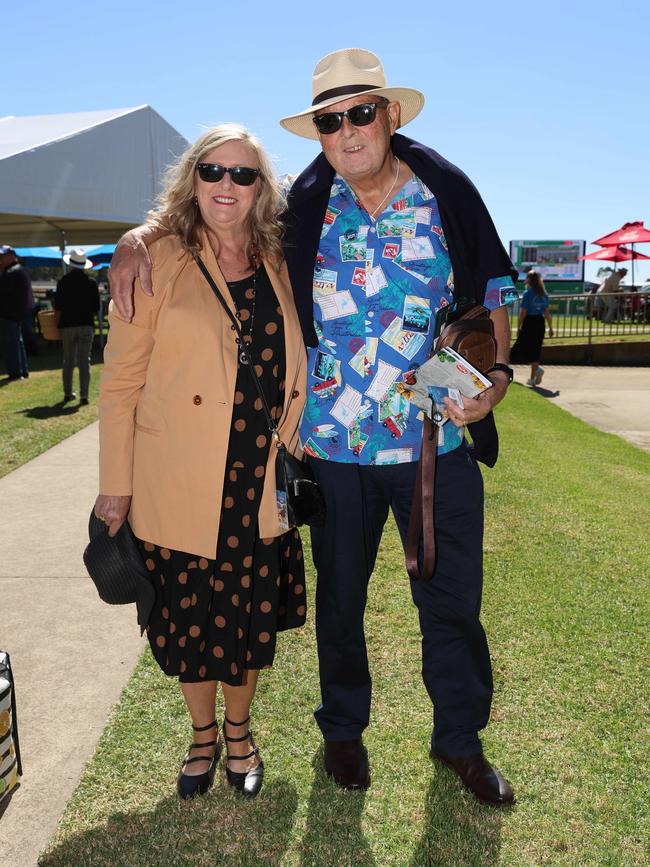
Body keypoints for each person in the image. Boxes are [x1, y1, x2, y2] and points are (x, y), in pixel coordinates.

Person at [109, 49, 517, 807]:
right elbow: (218, 217)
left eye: (362, 112)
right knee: (341, 600)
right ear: (319, 134)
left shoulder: (447, 194)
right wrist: (139, 237)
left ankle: (460, 741)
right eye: (331, 119)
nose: (348, 129)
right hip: (334, 449)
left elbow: (494, 296)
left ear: (391, 115)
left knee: (454, 601)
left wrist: (493, 381)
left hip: (436, 442)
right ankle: (343, 733)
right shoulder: (301, 208)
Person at [95, 123, 307, 801]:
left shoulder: (280, 257)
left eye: (243, 174)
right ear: (192, 179)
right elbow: (121, 383)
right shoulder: (157, 256)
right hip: (183, 477)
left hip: (258, 480)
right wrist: (115, 488)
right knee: (190, 623)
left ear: (262, 188)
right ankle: (201, 735)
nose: (227, 185)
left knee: (247, 621)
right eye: (212, 171)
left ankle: (239, 730)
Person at [54, 250, 100, 404]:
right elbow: (96, 308)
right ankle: (84, 395)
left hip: (67, 325)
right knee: (84, 361)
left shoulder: (63, 282)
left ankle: (68, 393)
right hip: (86, 324)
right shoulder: (91, 283)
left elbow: (58, 306)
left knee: (68, 361)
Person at [509, 269, 553, 385]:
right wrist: (551, 327)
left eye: (527, 277)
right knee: (536, 349)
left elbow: (523, 312)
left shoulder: (528, 293)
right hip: (540, 322)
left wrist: (519, 326)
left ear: (530, 280)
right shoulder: (543, 294)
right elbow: (547, 313)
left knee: (520, 346)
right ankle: (533, 378)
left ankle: (505, 371)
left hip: (530, 322)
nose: (525, 279)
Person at [0, 245, 30, 381]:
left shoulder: (11, 272)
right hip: (16, 314)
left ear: (11, 256)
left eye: (3, 256)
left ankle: (16, 373)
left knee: (11, 344)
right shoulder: (18, 270)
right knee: (17, 342)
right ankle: (22, 371)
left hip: (9, 313)